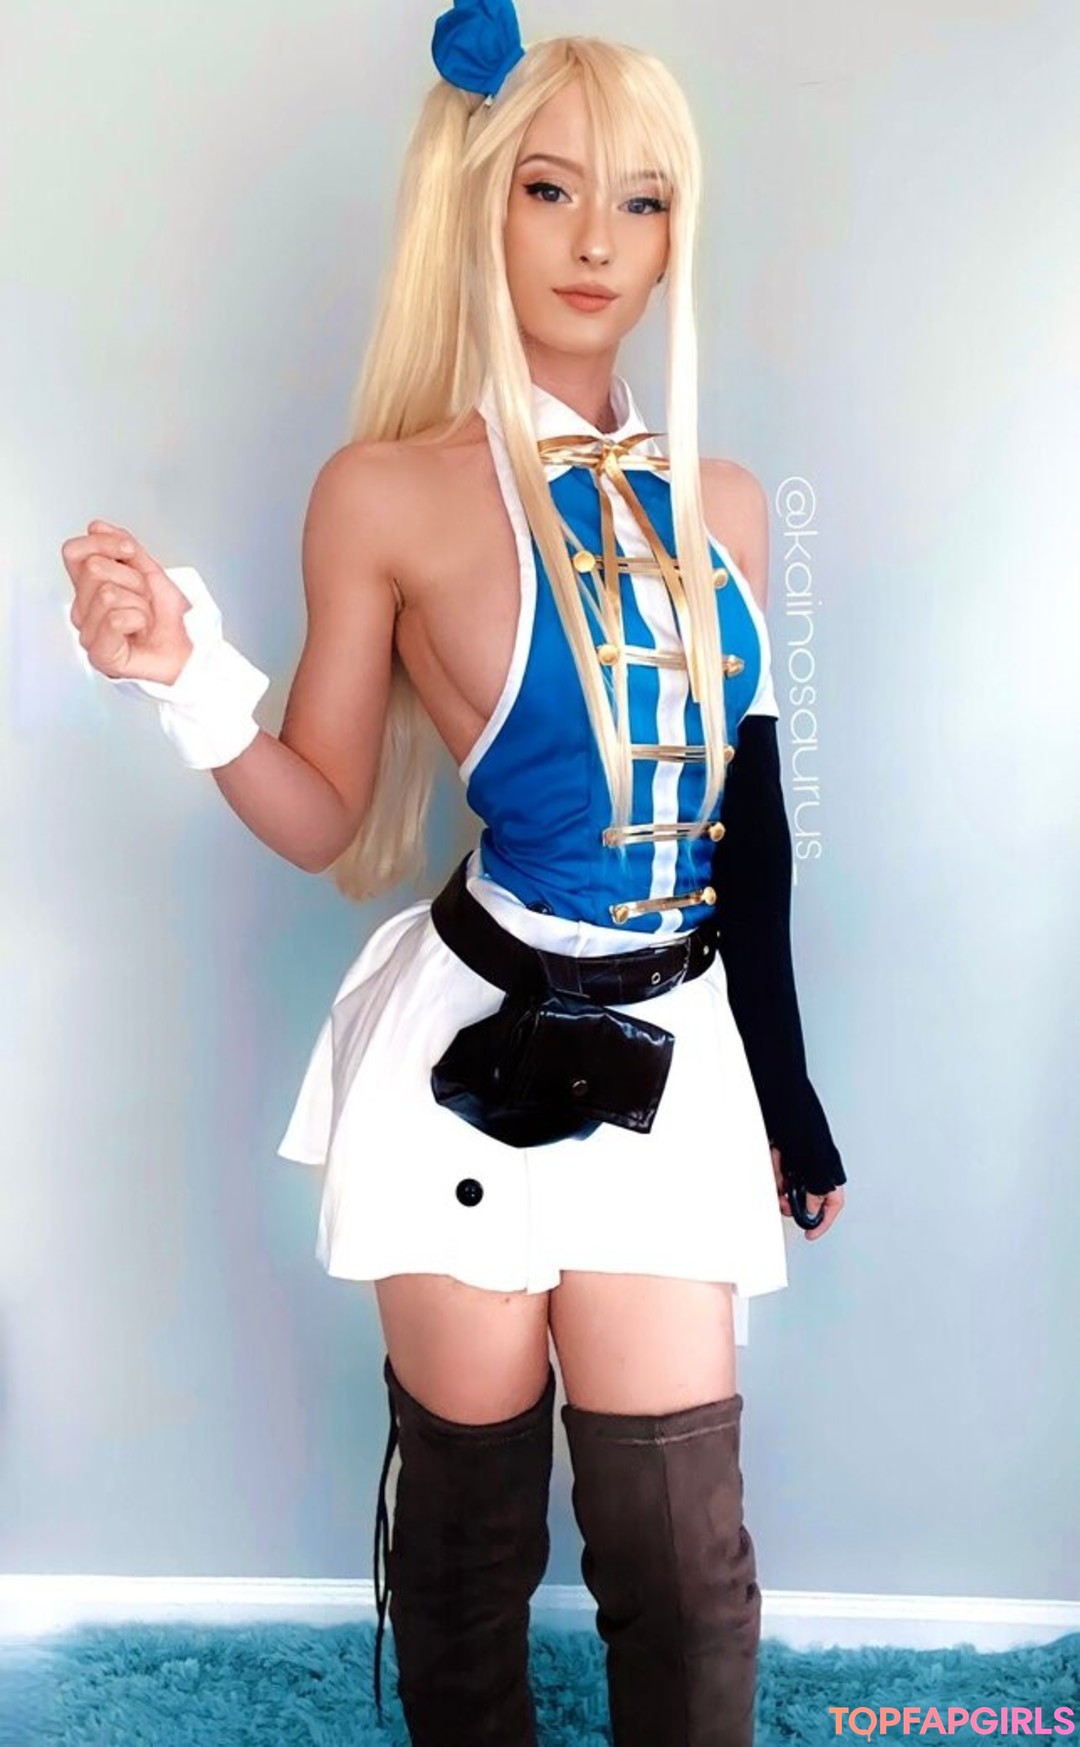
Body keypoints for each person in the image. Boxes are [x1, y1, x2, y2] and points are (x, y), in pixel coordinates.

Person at [61, 3, 847, 1741]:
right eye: (551, 189)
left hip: (674, 1056)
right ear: (479, 205)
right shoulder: (385, 496)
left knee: (686, 1571)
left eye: (640, 201)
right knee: (471, 1544)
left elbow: (755, 837)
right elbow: (326, 813)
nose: (596, 241)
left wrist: (791, 1102)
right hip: (465, 1065)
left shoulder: (724, 505)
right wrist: (184, 678)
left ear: (676, 236)